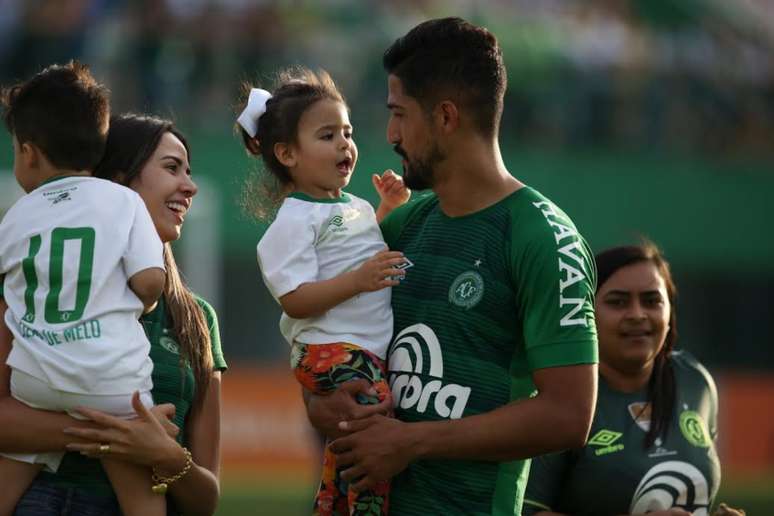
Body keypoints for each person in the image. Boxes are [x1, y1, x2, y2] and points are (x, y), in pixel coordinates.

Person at [306, 17, 599, 515]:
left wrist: (413, 442)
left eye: (399, 113)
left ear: (444, 116)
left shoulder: (544, 237)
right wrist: (320, 405)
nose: (391, 134)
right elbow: (334, 342)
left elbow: (569, 415)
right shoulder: (402, 226)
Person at [0, 113, 226, 516]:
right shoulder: (32, 290)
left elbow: (206, 500)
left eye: (189, 171)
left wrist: (164, 454)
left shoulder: (198, 319)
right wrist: (122, 435)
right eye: (172, 168)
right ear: (119, 183)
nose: (190, 186)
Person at [236, 66, 410, 515]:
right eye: (327, 135)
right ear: (287, 154)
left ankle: (331, 503)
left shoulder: (351, 205)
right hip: (331, 350)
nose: (344, 144)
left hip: (362, 348)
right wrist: (360, 280)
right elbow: (294, 297)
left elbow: (361, 251)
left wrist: (386, 208)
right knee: (376, 426)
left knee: (349, 445)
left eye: (347, 133)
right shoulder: (293, 219)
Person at [0, 62, 167, 516]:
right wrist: (144, 300)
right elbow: (151, 279)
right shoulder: (124, 200)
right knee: (142, 501)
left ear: (29, 153)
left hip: (32, 381)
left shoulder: (15, 216)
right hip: (110, 385)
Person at [523, 243, 743, 516]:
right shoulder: (556, 394)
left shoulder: (694, 381)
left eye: (652, 301)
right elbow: (524, 511)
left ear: (670, 311)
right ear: (584, 313)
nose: (638, 315)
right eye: (618, 302)